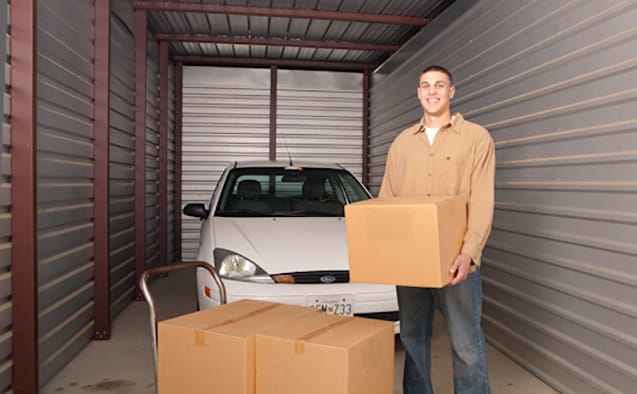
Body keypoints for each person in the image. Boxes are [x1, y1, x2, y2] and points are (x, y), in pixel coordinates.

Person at [379, 65, 495, 394]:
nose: (432, 91)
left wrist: (469, 252)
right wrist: (390, 254)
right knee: (413, 339)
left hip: (455, 258)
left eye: (439, 85)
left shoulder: (476, 138)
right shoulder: (401, 144)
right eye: (426, 86)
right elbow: (387, 201)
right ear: (418, 92)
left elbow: (482, 200)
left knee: (465, 344)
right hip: (411, 261)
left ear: (451, 91)